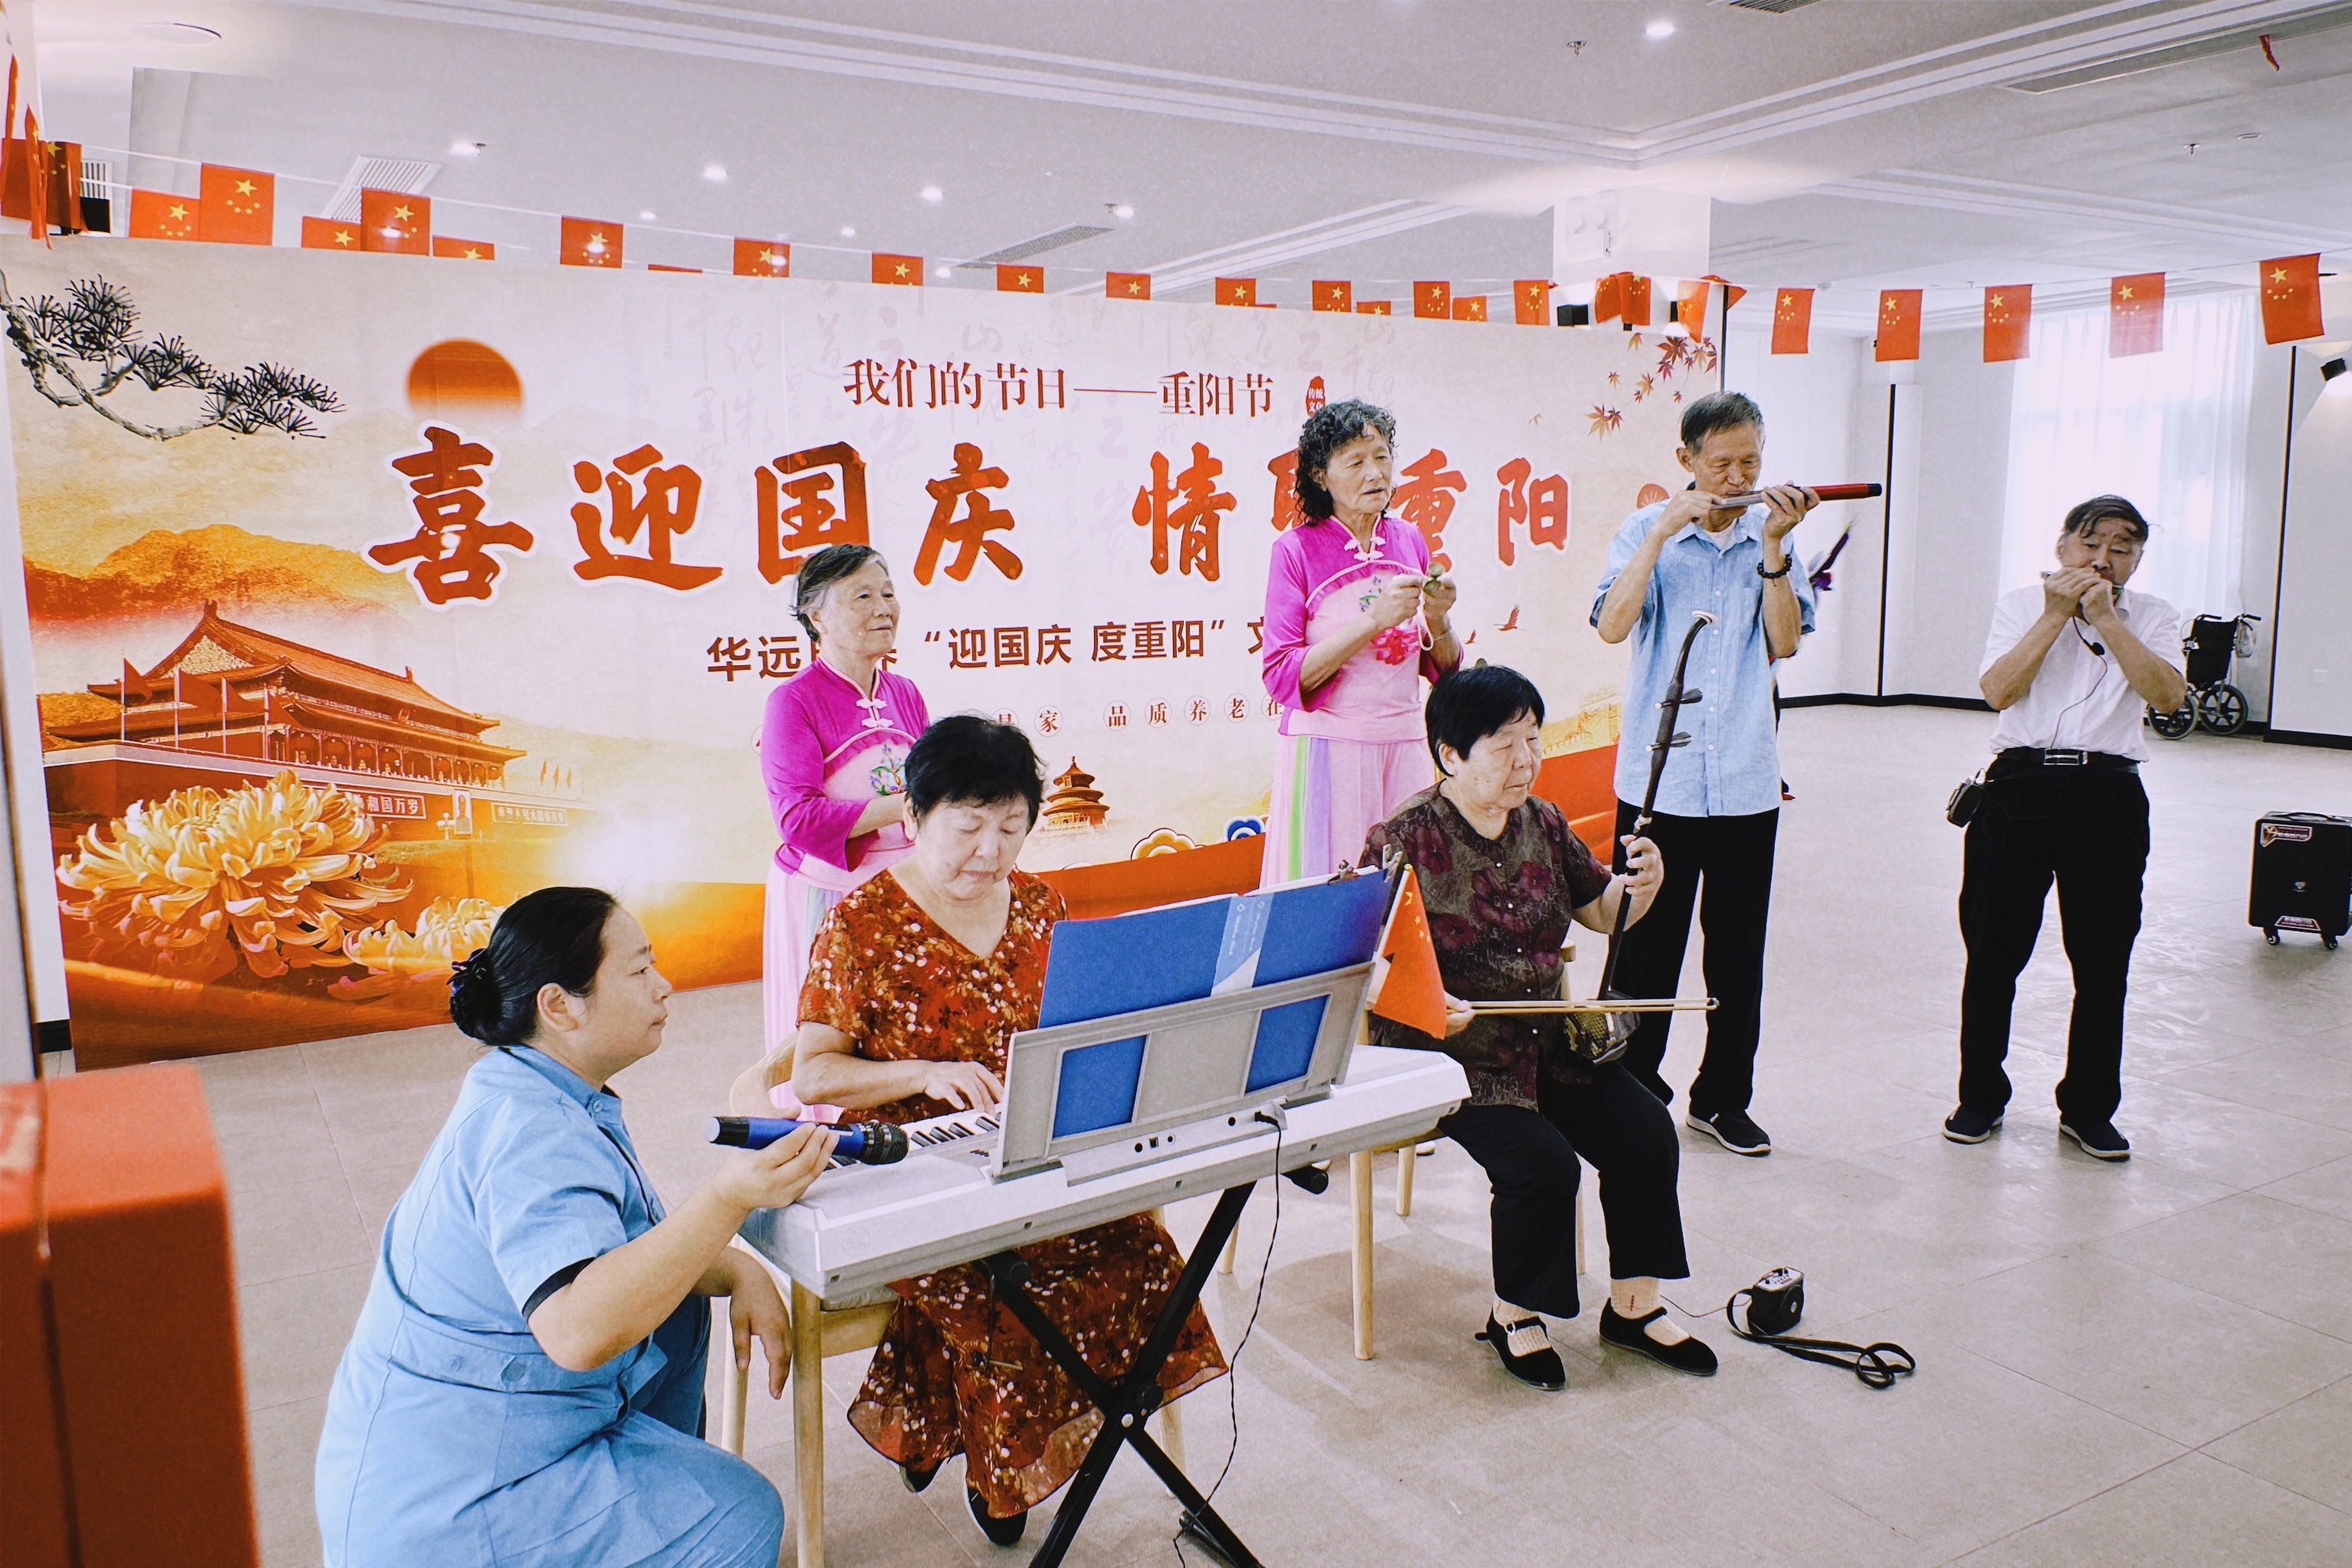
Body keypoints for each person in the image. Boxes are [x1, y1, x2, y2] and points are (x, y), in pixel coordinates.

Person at [728, 716, 1226, 1545]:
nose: (990, 851)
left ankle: (940, 1427)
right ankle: (1002, 1475)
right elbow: (813, 1076)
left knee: (1142, 1256)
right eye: (967, 827)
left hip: (1023, 1146)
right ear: (915, 816)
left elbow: (1070, 1026)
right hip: (909, 1168)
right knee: (1011, 1296)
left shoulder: (1039, 903)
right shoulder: (861, 924)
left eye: (1011, 827)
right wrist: (922, 1072)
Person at [316, 887, 833, 1568]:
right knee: (739, 1517)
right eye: (639, 970)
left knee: (677, 1310)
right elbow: (578, 1332)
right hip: (455, 1502)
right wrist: (729, 1197)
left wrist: (736, 1266)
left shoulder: (534, 1088)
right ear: (559, 1006)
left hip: (468, 1444)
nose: (664, 986)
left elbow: (623, 1253)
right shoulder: (529, 1131)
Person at [1361, 665, 1710, 1390]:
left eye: (1533, 741)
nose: (1526, 761)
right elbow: (1359, 965)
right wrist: (1425, 1001)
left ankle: (1634, 1307)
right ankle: (1514, 1315)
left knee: (1645, 1131)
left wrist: (1643, 888)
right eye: (1504, 746)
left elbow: (1603, 912)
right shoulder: (1404, 840)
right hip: (1452, 1056)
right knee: (1543, 1165)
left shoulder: (1544, 824)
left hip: (1549, 1042)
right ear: (1450, 755)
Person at [1591, 390, 1818, 1157]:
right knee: (1644, 949)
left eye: (1750, 461)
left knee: (1737, 955)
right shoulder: (1642, 531)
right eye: (1721, 464)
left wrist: (1776, 548)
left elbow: (1784, 642)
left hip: (1747, 781)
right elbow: (1612, 625)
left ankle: (1722, 1100)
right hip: (1659, 784)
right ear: (1685, 459)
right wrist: (1661, 531)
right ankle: (1629, 1093)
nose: (1737, 478)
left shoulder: (1769, 533)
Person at [1947, 495, 2187, 1161]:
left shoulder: (2155, 616)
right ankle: (1979, 1097)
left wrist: (2107, 619)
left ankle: (2088, 1108)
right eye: (2090, 543)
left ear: (2137, 559)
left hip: (2108, 794)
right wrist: (2056, 615)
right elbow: (1999, 691)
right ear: (2061, 548)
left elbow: (2168, 697)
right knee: (1993, 954)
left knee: (2104, 960)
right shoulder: (2021, 605)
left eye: (2122, 548)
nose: (2103, 559)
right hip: (2018, 786)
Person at [1259, 398, 1462, 887]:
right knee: (1331, 893)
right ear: (1320, 476)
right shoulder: (1295, 550)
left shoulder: (1410, 539)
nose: (1376, 473)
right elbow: (1281, 674)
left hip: (1406, 743)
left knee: (1407, 891)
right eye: (1355, 462)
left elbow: (1445, 671)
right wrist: (1373, 621)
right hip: (1330, 750)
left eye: (1382, 457)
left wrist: (1439, 617)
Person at [759, 544, 929, 1112]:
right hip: (831, 895)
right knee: (835, 1030)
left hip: (905, 890)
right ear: (816, 615)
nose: (883, 607)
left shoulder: (905, 693)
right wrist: (906, 805)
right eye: (862, 596)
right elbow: (797, 819)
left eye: (888, 593)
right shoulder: (793, 701)